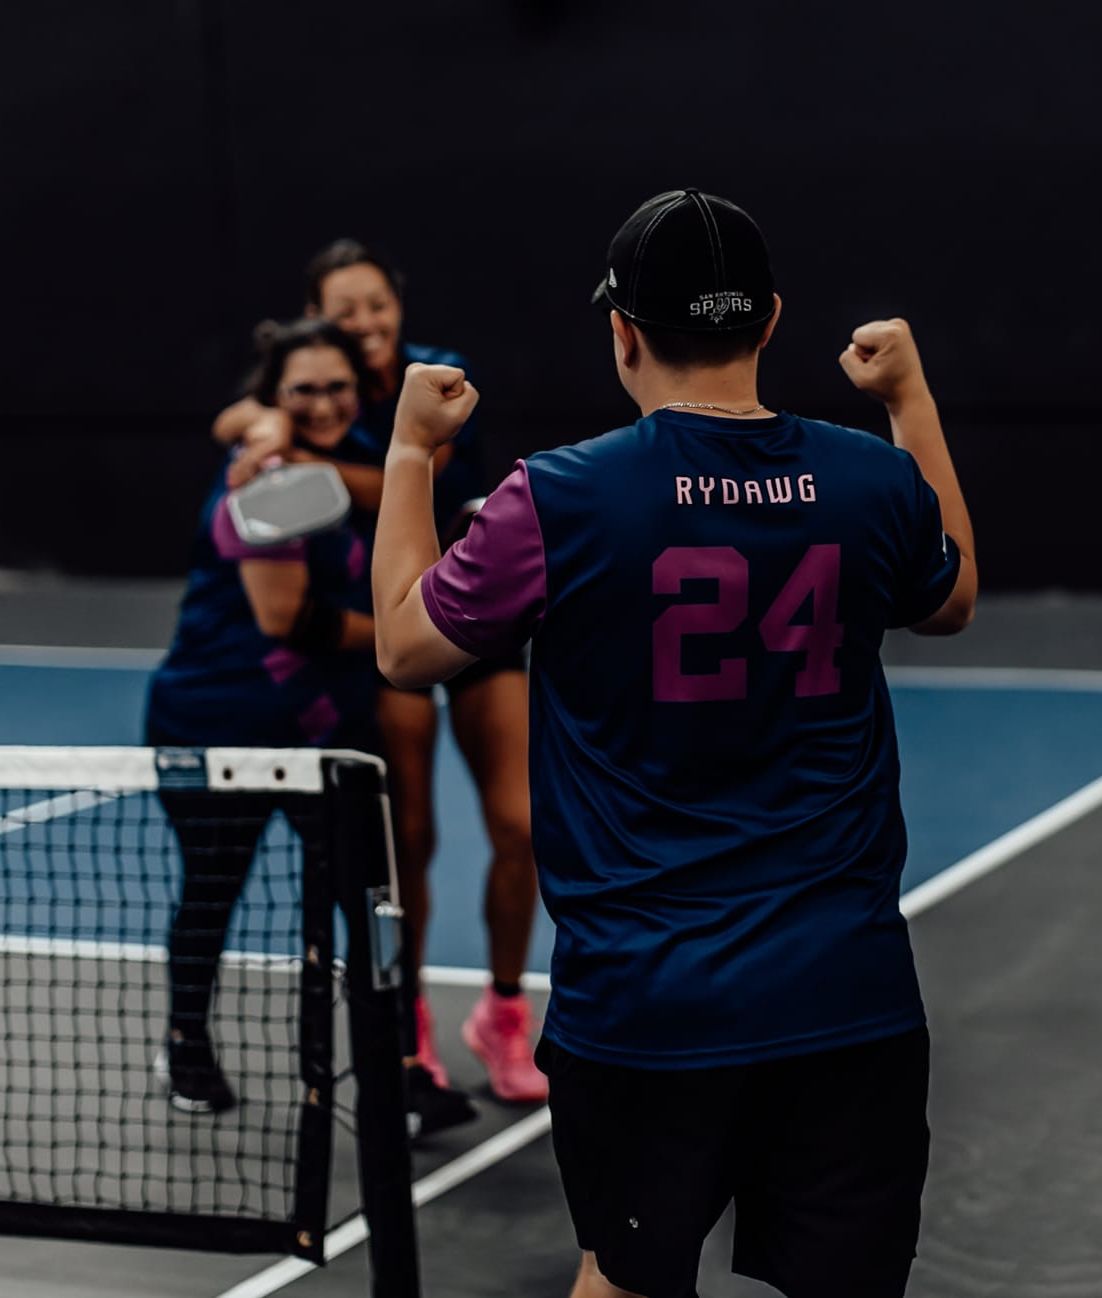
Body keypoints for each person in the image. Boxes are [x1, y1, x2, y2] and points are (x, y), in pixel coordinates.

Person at [370, 189, 977, 1298]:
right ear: (772, 319)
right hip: (843, 991)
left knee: (626, 1275)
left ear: (622, 331)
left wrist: (410, 449)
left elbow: (406, 652)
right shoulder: (870, 479)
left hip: (645, 1004)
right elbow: (949, 597)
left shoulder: (555, 498)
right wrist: (910, 398)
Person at [215, 241, 546, 1105]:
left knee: (520, 825)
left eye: (375, 305)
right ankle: (413, 1029)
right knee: (412, 843)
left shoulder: (436, 378)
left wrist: (301, 459)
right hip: (391, 622)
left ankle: (504, 1013)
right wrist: (261, 428)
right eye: (344, 308)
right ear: (322, 316)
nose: (364, 322)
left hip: (475, 607)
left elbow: (424, 469)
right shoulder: (320, 390)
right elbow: (237, 419)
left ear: (399, 309)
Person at [147, 318, 467, 1134]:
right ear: (274, 398)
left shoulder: (360, 452)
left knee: (364, 895)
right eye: (302, 390)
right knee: (214, 889)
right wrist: (417, 631)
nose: (322, 402)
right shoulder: (269, 476)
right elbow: (284, 616)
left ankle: (395, 1069)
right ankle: (185, 1042)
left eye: (335, 385)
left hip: (324, 719)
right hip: (222, 717)